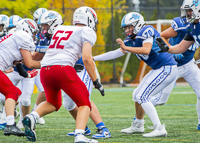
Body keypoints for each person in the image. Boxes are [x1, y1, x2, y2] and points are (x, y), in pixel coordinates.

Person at [22, 6, 104, 143]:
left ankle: (32, 116)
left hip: (45, 69)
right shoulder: (87, 31)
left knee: (53, 103)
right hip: (63, 68)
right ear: (90, 19)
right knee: (84, 103)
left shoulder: (60, 28)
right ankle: (80, 136)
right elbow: (87, 59)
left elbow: (40, 55)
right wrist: (96, 81)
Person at [94, 12, 178, 137]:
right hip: (158, 69)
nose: (127, 30)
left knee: (143, 96)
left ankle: (159, 128)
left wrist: (126, 48)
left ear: (137, 24)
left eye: (129, 27)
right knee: (136, 95)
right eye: (126, 28)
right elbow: (116, 53)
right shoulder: (131, 39)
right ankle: (139, 125)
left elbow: (146, 49)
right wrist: (93, 58)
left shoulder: (146, 30)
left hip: (167, 68)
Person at [156, 0, 200, 131]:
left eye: (190, 10)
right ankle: (139, 118)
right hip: (173, 66)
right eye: (186, 10)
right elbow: (181, 47)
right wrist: (169, 51)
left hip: (189, 65)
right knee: (161, 100)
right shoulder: (191, 26)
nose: (187, 13)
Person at [0, 18, 40, 136]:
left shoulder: (15, 38)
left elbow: (22, 67)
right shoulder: (23, 36)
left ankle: (10, 124)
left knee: (14, 91)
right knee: (13, 92)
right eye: (33, 32)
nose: (34, 35)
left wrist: (28, 75)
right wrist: (51, 63)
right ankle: (10, 125)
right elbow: (30, 63)